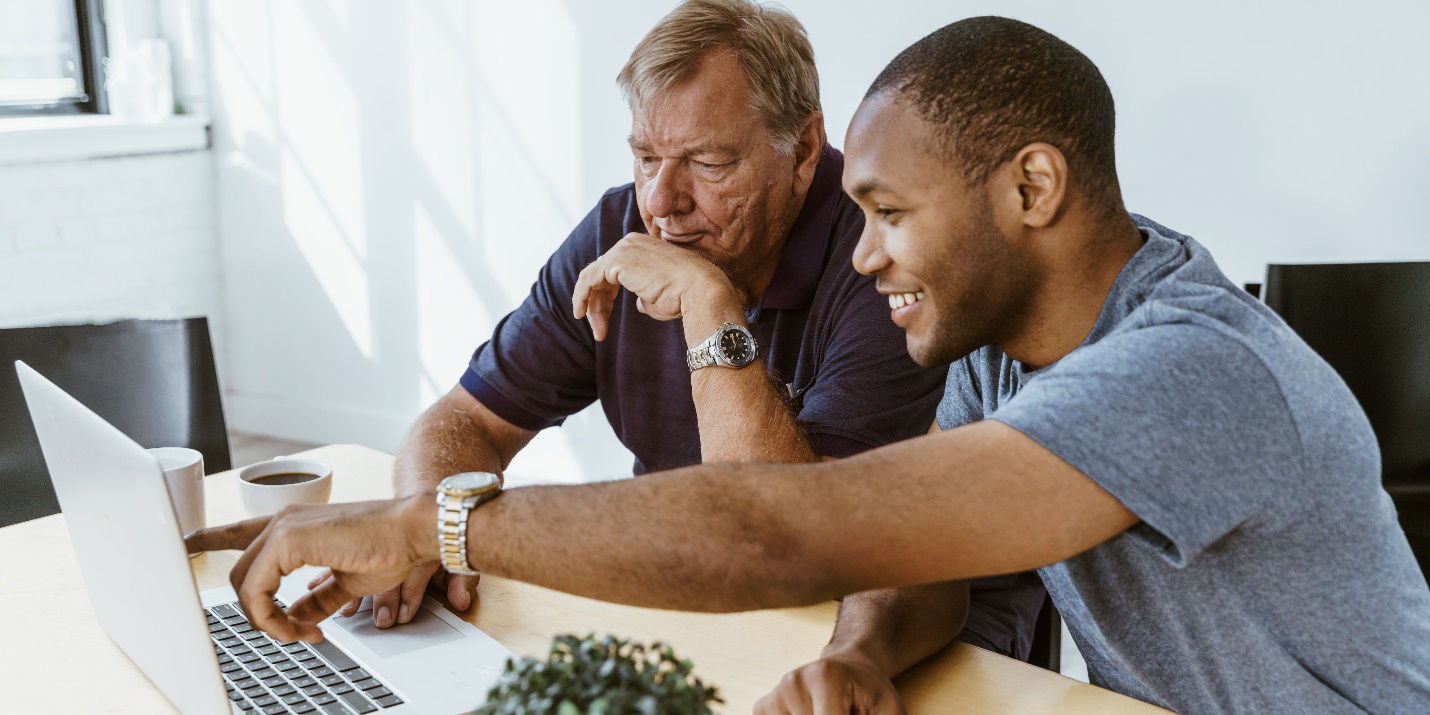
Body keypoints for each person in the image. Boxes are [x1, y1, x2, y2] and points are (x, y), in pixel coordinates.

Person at [188, 15, 1430, 714]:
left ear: (1030, 188)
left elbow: (778, 532)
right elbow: (920, 564)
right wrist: (862, 649)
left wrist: (427, 526)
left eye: (889, 214)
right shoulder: (1002, 353)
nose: (871, 255)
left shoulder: (1187, 368)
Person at [355, 0, 1043, 669]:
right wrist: (427, 530)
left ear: (804, 149)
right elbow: (461, 420)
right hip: (704, 602)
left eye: (708, 164)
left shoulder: (886, 252)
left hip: (916, 640)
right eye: (647, 157)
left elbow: (793, 550)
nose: (659, 202)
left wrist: (709, 303)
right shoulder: (621, 230)